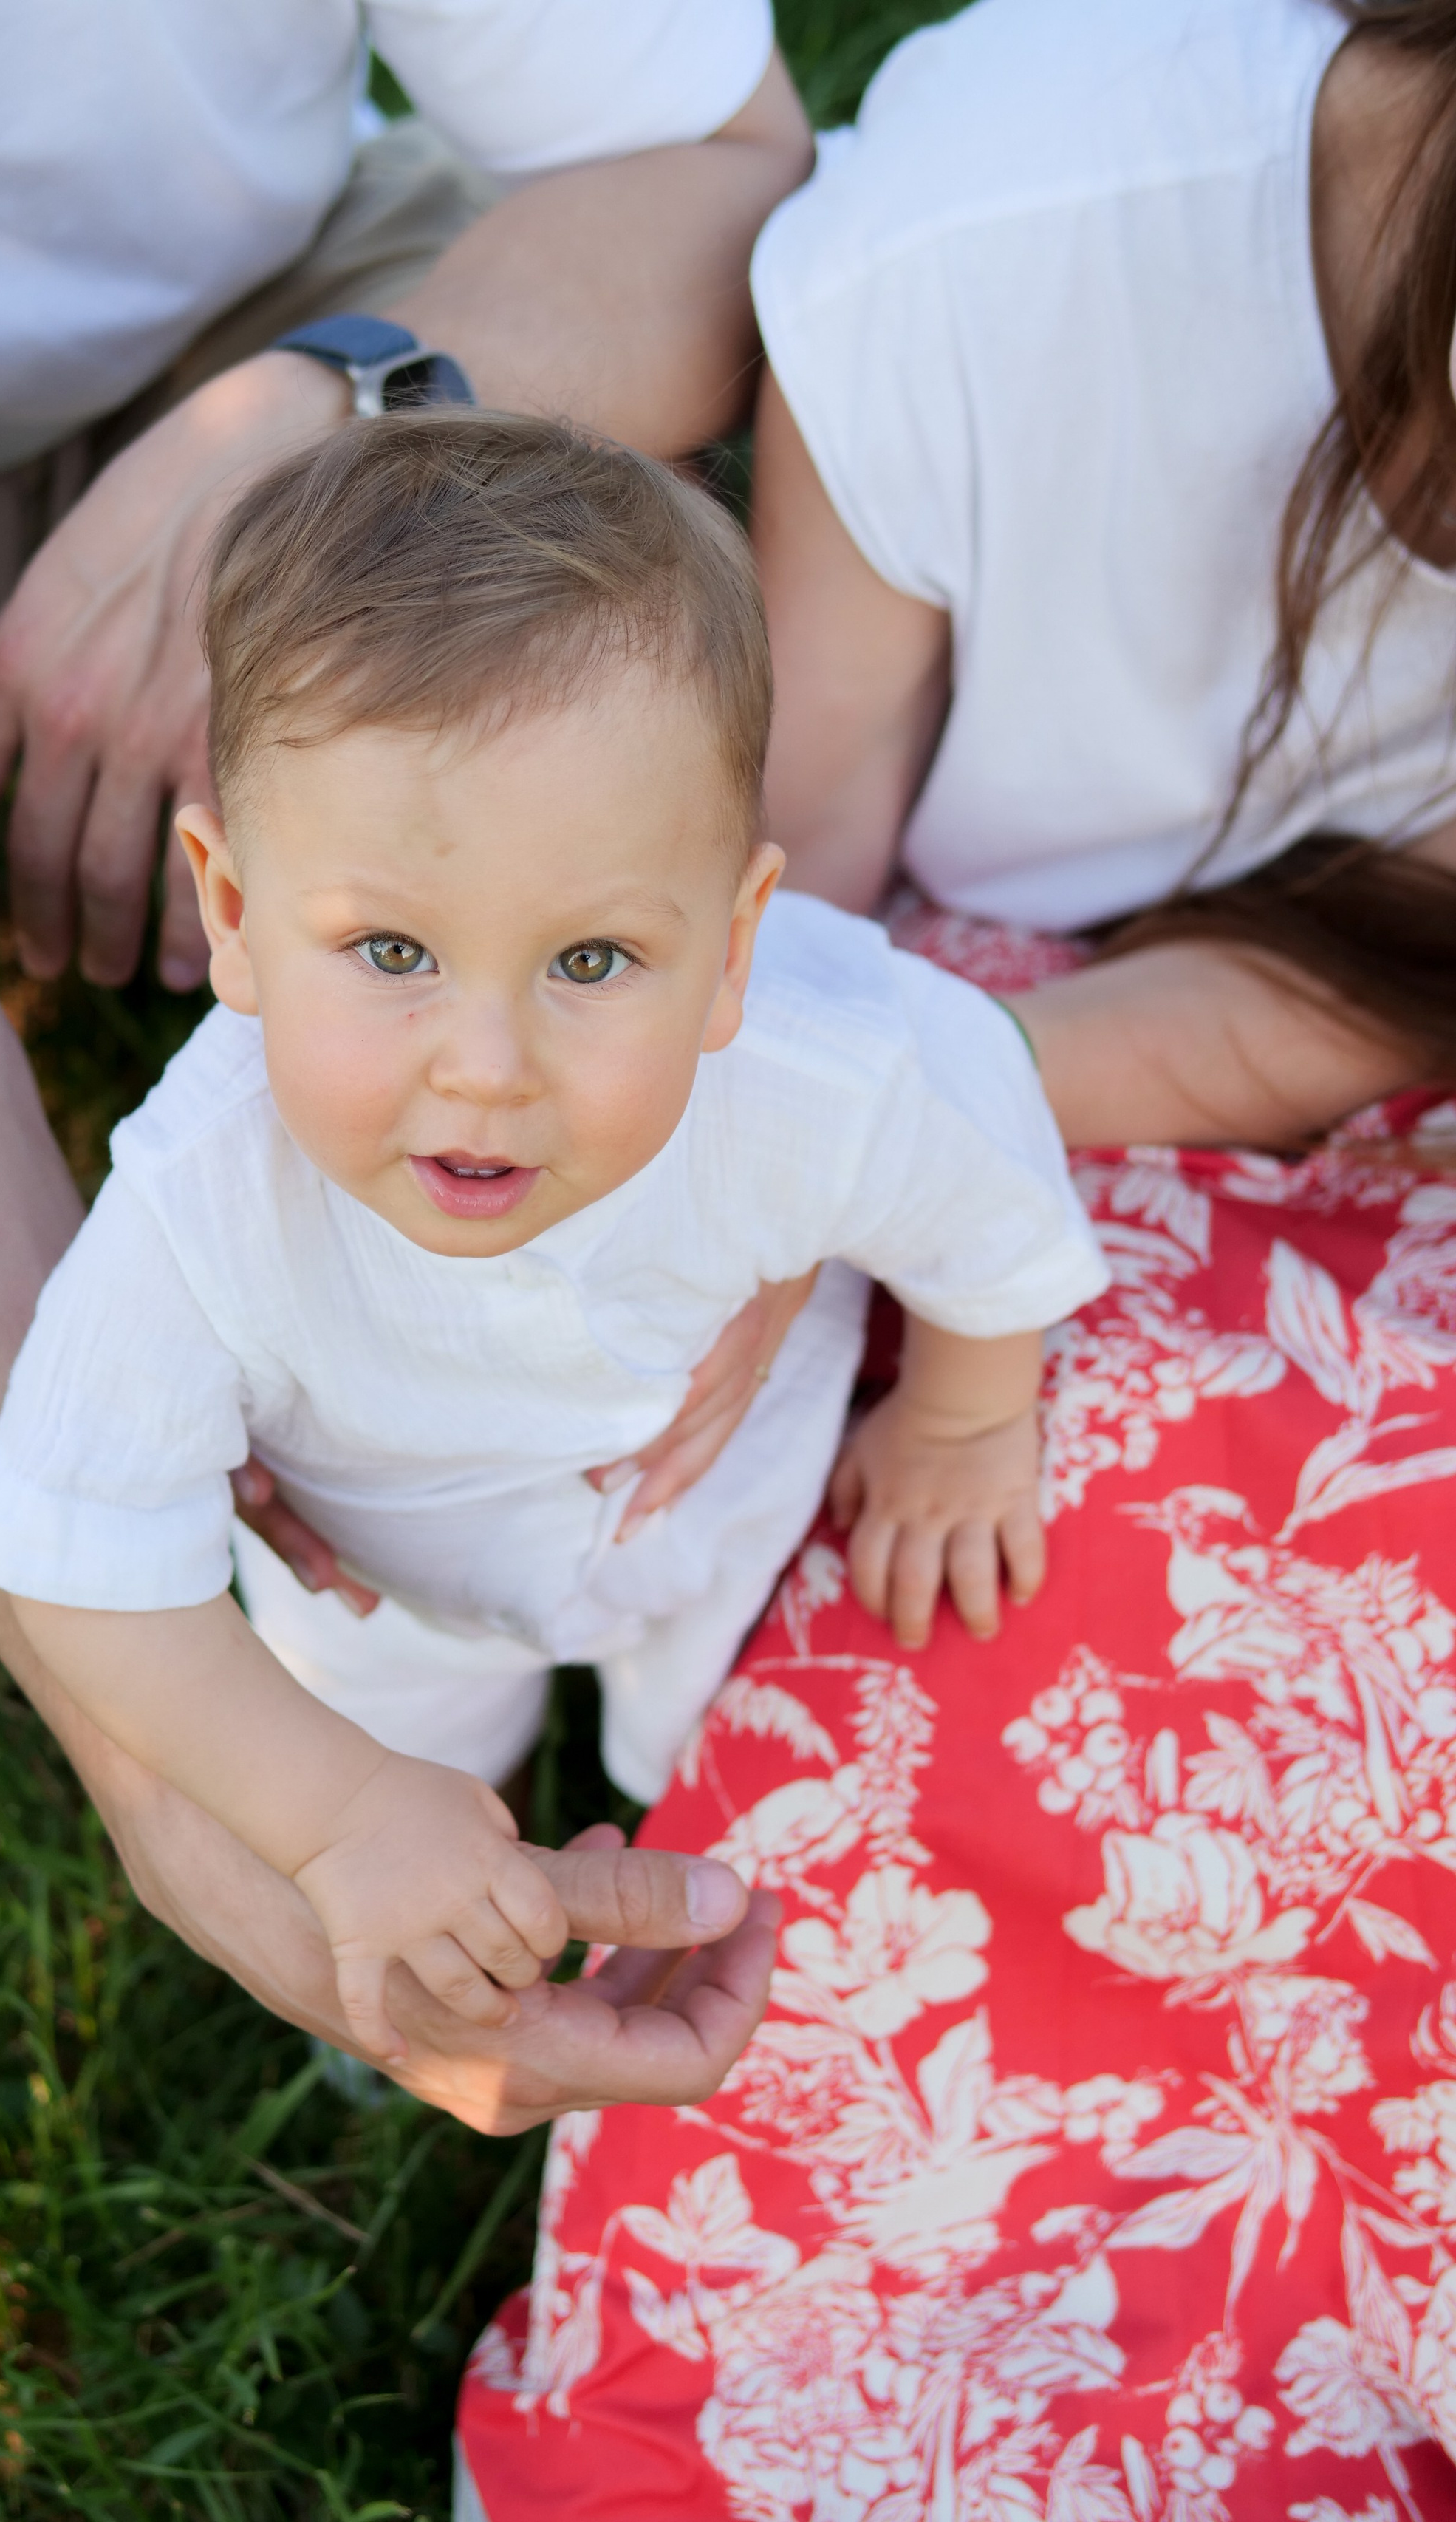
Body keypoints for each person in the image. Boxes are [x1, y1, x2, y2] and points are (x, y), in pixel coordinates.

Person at [0, 0, 819, 2127]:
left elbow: (730, 165)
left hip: (292, 301)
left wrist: (328, 421)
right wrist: (215, 1794)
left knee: (677, 534)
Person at [454, 0, 1456, 2511]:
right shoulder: (991, 250)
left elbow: (1361, 983)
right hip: (924, 1021)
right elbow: (778, 921)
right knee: (1103, 1592)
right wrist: (849, 1177)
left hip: (1318, 1042)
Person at [0, 411, 1108, 2065]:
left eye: (588, 962)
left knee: (740, 1775)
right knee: (401, 1807)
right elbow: (86, 1566)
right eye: (390, 950)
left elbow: (978, 1170)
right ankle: (402, 1972)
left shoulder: (823, 1069)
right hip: (386, 1590)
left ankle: (706, 1835)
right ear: (234, 910)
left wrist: (964, 1417)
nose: (485, 1068)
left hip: (727, 1510)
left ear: (733, 946)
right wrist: (343, 1811)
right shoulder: (200, 1208)